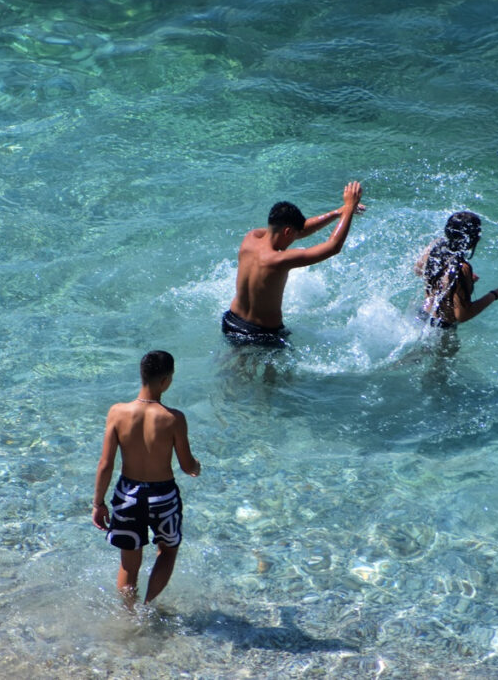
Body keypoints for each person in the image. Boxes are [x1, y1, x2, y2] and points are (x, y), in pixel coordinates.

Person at [91, 350, 201, 608]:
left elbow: (106, 464)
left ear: (142, 375)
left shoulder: (117, 412)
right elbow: (187, 465)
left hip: (128, 494)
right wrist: (197, 466)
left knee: (129, 565)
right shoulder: (173, 419)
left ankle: (129, 617)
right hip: (163, 496)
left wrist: (98, 503)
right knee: (167, 551)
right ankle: (148, 607)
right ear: (166, 380)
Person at [222, 181, 364, 346]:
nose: (296, 238)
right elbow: (333, 247)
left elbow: (299, 230)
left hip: (231, 322)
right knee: (277, 372)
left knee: (235, 368)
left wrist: (338, 212)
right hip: (262, 334)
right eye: (293, 234)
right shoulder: (279, 260)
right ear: (287, 231)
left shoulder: (251, 238)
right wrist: (348, 208)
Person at [413, 211, 498, 330]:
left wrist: (457, 284)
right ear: (473, 239)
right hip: (439, 331)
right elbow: (462, 315)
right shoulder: (461, 268)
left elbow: (418, 270)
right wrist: (495, 294)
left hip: (422, 315)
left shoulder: (435, 246)